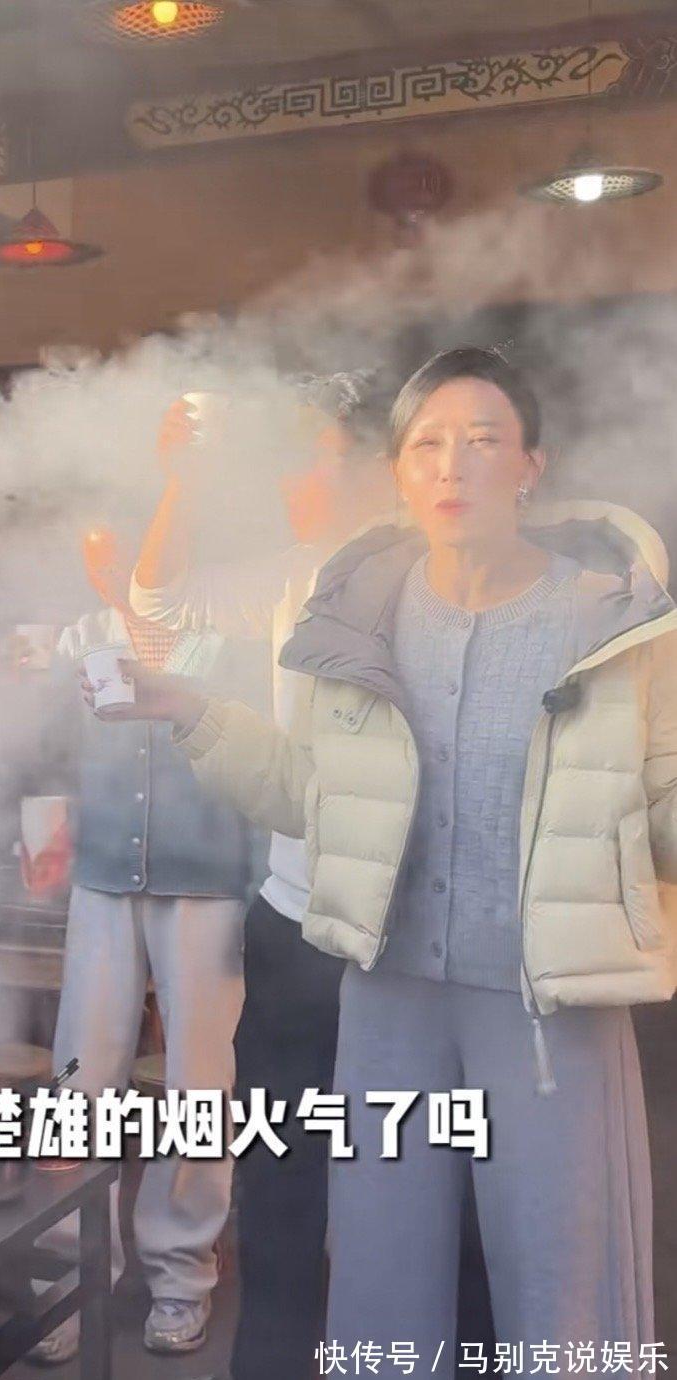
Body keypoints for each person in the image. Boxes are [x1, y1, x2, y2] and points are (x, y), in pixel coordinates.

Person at [118, 347, 672, 1357]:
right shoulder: (358, 612)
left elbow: (664, 808)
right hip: (386, 993)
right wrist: (189, 710)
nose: (453, 465)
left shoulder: (614, 622)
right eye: (429, 445)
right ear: (400, 470)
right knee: (380, 1272)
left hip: (547, 1006)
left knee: (559, 1282)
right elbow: (310, 793)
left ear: (532, 464)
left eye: (483, 440)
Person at [130, 378, 398, 1380]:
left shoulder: (425, 576)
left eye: (311, 456)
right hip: (291, 917)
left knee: (400, 1172)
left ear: (377, 464)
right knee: (281, 1178)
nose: (291, 480)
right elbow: (158, 602)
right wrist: (181, 482)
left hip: (393, 931)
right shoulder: (296, 573)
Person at [34, 524, 264, 1363]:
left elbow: (260, 758)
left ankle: (181, 1278)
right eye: (93, 546)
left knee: (198, 1083)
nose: (106, 561)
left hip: (206, 884)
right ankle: (66, 1278)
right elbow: (45, 754)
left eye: (121, 543)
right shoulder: (78, 639)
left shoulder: (231, 634)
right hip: (102, 879)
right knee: (77, 1076)